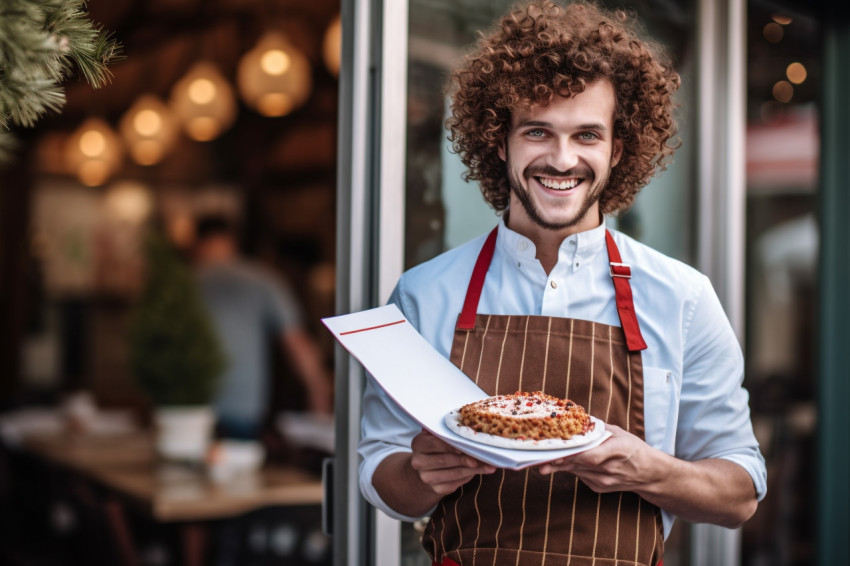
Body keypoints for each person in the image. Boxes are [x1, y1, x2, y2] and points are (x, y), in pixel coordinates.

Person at [357, 2, 767, 565]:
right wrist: (423, 473)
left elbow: (740, 492)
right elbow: (382, 478)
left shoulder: (683, 298)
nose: (562, 159)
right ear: (499, 141)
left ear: (617, 149)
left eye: (588, 136)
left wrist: (648, 469)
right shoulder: (425, 293)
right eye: (538, 132)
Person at [192, 213, 332, 440]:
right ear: (232, 242)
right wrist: (318, 392)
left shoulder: (182, 284)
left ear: (197, 243)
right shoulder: (263, 279)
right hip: (244, 408)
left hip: (185, 410)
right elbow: (296, 341)